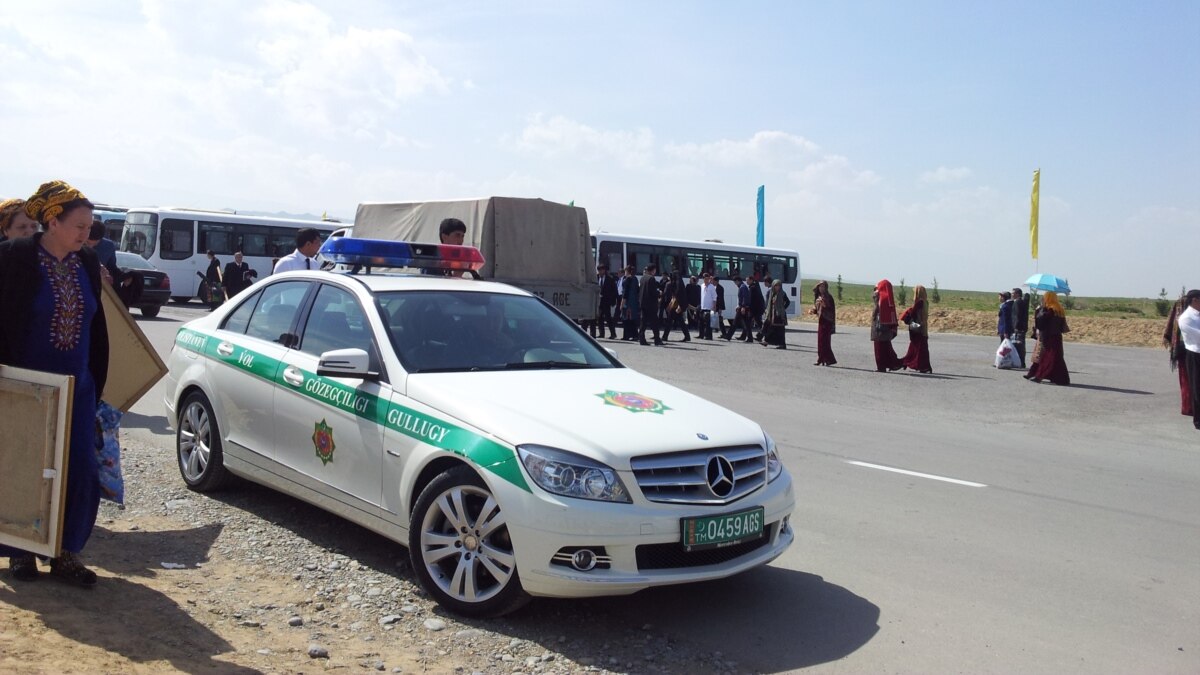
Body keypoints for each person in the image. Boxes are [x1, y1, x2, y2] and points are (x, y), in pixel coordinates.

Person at [0, 180, 109, 586]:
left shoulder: (85, 263)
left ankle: (66, 553)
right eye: (79, 226)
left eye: (89, 227)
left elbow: (96, 325)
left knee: (78, 467)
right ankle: (19, 551)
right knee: (26, 464)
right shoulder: (14, 257)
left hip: (77, 385)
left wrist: (98, 379)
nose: (86, 234)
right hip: (26, 383)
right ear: (52, 221)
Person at [1024, 291, 1070, 385]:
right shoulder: (1059, 309)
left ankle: (1039, 376)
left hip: (1049, 336)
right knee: (1056, 358)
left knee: (1048, 357)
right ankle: (1060, 378)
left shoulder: (1049, 310)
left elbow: (1041, 322)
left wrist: (1039, 310)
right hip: (1056, 336)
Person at [1163, 293, 1194, 417]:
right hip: (1186, 349)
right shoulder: (1188, 313)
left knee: (1186, 380)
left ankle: (1188, 407)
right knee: (1188, 380)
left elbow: (1171, 325)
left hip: (1181, 348)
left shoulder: (1179, 307)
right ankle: (1189, 407)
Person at [1176, 289, 1200, 429]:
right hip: (1195, 355)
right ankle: (1198, 420)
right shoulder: (1186, 318)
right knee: (1197, 388)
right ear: (1195, 300)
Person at [871, 279, 904, 372]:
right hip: (887, 327)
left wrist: (875, 295)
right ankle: (894, 364)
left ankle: (881, 367)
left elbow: (876, 310)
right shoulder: (889, 298)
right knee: (886, 348)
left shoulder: (880, 297)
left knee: (879, 348)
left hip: (879, 327)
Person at [900, 284, 933, 373]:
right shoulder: (926, 302)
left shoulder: (919, 303)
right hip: (923, 327)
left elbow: (913, 314)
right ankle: (922, 366)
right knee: (922, 348)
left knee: (916, 347)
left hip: (917, 327)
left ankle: (908, 362)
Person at [810, 280, 837, 366]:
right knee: (820, 341)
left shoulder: (828, 297)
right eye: (820, 287)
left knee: (825, 341)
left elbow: (830, 308)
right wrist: (813, 311)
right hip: (821, 321)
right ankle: (823, 359)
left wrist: (824, 304)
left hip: (827, 321)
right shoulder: (819, 297)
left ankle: (826, 359)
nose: (821, 288)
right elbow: (818, 309)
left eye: (823, 287)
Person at [637, 263, 663, 346]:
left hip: (643, 303)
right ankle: (657, 340)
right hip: (651, 304)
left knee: (643, 322)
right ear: (653, 270)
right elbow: (652, 292)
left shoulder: (642, 278)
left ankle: (641, 339)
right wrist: (659, 293)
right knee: (654, 322)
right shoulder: (651, 279)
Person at [661, 272, 691, 342]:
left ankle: (665, 336)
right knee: (680, 321)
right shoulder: (680, 284)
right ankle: (687, 336)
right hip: (677, 305)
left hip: (674, 305)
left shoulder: (671, 284)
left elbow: (669, 295)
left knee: (669, 321)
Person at [591, 263, 618, 339]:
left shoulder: (610, 279)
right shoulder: (596, 278)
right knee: (599, 318)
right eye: (599, 270)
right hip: (598, 301)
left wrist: (613, 301)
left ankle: (613, 333)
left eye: (601, 270)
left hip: (606, 301)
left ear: (604, 270)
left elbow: (614, 291)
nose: (600, 272)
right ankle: (601, 333)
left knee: (608, 318)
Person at [761, 279, 790, 349]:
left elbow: (788, 302)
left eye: (779, 286)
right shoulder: (772, 293)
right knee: (774, 329)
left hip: (780, 315)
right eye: (776, 285)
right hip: (772, 314)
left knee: (777, 329)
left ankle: (767, 341)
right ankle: (778, 343)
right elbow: (769, 303)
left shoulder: (782, 293)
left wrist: (782, 309)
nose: (777, 287)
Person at [1010, 288, 1031, 368]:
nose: (1012, 295)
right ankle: (1020, 362)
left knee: (1019, 346)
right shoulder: (1020, 302)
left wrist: (1016, 326)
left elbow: (1017, 316)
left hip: (1019, 328)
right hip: (1022, 327)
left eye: (1013, 293)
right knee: (1019, 345)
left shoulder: (1018, 302)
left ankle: (1020, 362)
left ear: (1017, 294)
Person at [619, 265, 639, 341]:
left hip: (627, 302)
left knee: (626, 319)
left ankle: (626, 335)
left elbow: (625, 293)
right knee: (632, 319)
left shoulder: (627, 279)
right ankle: (635, 335)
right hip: (634, 301)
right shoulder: (635, 279)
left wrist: (622, 303)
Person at [698, 274, 717, 340]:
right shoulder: (702, 286)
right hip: (703, 306)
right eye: (705, 279)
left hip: (709, 307)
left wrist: (714, 306)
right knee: (701, 322)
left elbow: (714, 297)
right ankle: (701, 335)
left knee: (708, 323)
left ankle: (708, 336)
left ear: (709, 279)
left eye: (707, 279)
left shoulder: (711, 286)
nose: (706, 280)